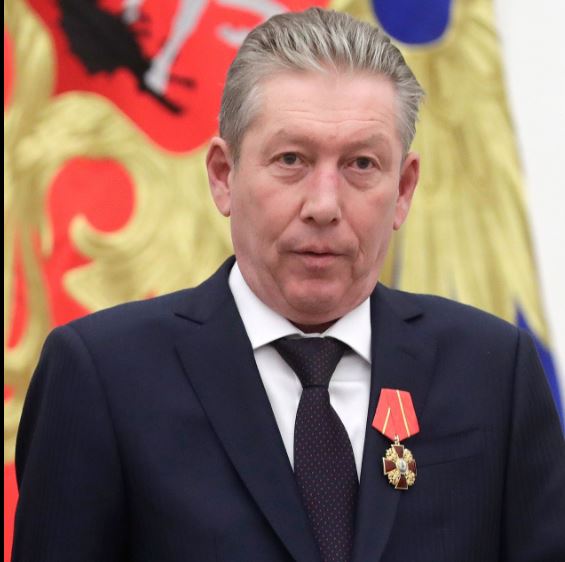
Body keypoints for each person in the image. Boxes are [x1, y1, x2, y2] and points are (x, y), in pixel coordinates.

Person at [11, 8, 565, 562]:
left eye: (361, 164)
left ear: (403, 189)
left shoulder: (494, 372)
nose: (324, 205)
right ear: (223, 175)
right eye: (291, 159)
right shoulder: (103, 377)